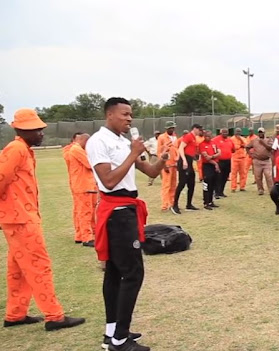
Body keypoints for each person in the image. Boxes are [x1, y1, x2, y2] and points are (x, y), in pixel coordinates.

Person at [88, 98, 169, 350]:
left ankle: (112, 332)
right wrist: (133, 153)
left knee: (114, 272)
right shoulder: (98, 142)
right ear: (110, 115)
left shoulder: (124, 142)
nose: (129, 119)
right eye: (124, 114)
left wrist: (163, 159)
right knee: (132, 273)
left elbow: (151, 172)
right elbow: (109, 181)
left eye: (131, 114)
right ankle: (119, 340)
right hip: (116, 212)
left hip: (128, 210)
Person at [1, 109, 86, 332]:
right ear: (22, 130)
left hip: (19, 217)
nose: (41, 133)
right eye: (37, 130)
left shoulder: (23, 149)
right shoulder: (17, 149)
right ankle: (54, 316)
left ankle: (15, 314)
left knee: (19, 268)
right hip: (20, 219)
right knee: (39, 266)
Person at [67, 133, 97, 246]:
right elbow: (90, 164)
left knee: (81, 211)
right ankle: (87, 237)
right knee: (86, 212)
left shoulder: (73, 149)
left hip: (83, 185)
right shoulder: (76, 149)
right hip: (84, 185)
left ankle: (80, 235)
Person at [172, 123, 202, 214]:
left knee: (191, 183)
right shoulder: (188, 136)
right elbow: (181, 148)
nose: (200, 131)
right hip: (184, 161)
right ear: (195, 129)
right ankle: (175, 205)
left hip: (189, 161)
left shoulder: (194, 138)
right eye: (199, 129)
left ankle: (189, 204)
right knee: (182, 183)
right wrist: (184, 160)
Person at [157, 122, 178, 211]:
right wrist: (164, 164)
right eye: (170, 128)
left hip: (174, 164)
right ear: (167, 129)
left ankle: (172, 203)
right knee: (166, 185)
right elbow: (159, 152)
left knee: (173, 185)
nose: (172, 130)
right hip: (167, 165)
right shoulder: (162, 137)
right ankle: (164, 205)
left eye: (173, 128)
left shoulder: (175, 137)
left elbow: (176, 149)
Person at [198, 130, 221, 210]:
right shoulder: (202, 144)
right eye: (206, 136)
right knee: (207, 185)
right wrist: (215, 162)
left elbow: (219, 152)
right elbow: (206, 157)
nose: (208, 137)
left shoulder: (214, 143)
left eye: (209, 136)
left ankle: (211, 201)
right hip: (207, 166)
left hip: (214, 165)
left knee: (213, 184)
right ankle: (206, 202)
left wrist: (212, 156)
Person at [247, 128, 274, 195]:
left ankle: (271, 190)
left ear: (264, 132)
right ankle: (260, 189)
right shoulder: (254, 140)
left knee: (268, 176)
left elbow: (270, 148)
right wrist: (251, 154)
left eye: (262, 132)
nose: (260, 134)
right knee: (258, 176)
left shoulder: (269, 139)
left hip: (266, 161)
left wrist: (263, 143)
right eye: (259, 132)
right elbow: (247, 147)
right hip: (257, 161)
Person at [213, 128, 233, 198]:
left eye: (226, 132)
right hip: (219, 161)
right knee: (218, 177)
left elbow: (233, 149)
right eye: (223, 132)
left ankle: (221, 192)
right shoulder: (215, 140)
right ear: (220, 133)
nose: (225, 134)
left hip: (228, 161)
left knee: (225, 177)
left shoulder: (230, 140)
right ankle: (216, 192)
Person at [230, 128, 249, 192]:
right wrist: (240, 146)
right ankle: (233, 187)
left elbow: (246, 145)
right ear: (234, 132)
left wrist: (240, 139)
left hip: (243, 158)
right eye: (237, 131)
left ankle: (242, 187)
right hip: (234, 158)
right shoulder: (231, 139)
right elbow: (234, 147)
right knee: (234, 174)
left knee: (243, 173)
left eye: (239, 132)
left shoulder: (243, 139)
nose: (238, 133)